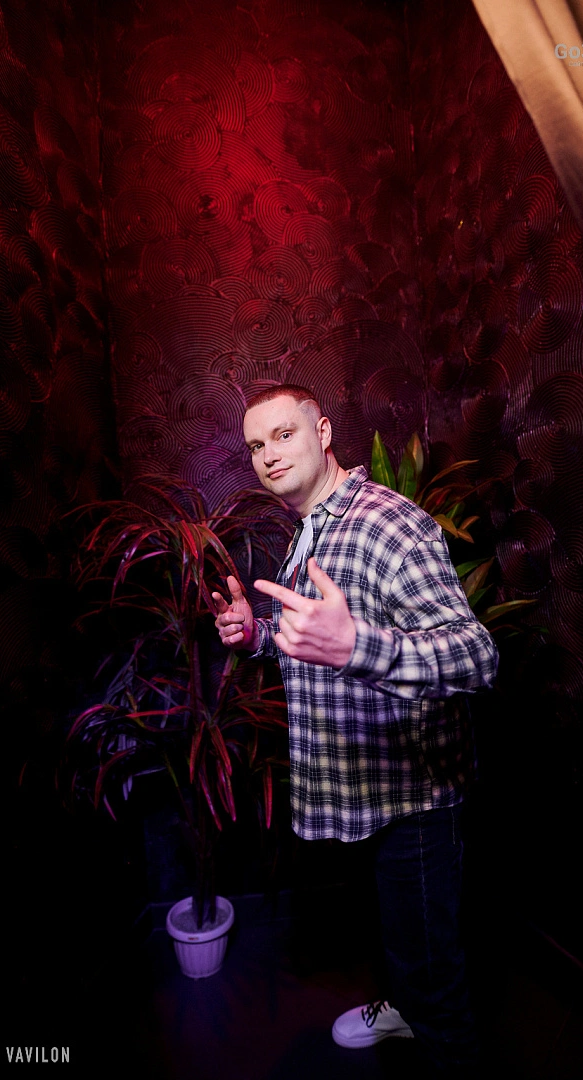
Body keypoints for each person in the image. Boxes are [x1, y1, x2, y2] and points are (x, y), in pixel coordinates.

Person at [213, 384, 498, 1077]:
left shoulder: (386, 525)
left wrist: (360, 648)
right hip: (364, 796)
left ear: (323, 431)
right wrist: (257, 635)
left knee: (433, 976)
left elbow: (477, 656)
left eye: (284, 434)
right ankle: (402, 1005)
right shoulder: (315, 526)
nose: (268, 454)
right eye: (255, 445)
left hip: (416, 806)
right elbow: (315, 638)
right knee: (399, 942)